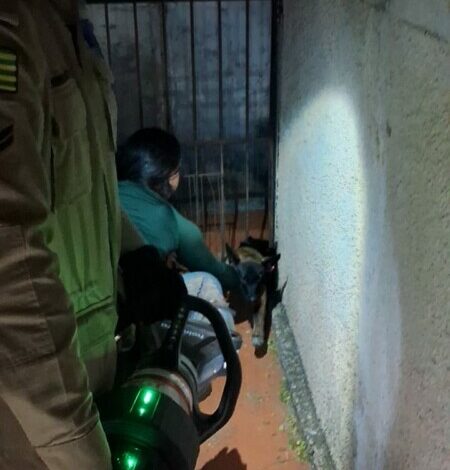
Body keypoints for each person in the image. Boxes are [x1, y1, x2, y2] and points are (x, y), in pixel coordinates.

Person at [0, 2, 185, 468]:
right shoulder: (12, 26)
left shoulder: (71, 29)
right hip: (37, 419)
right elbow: (8, 262)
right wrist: (79, 444)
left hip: (91, 365)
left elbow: (89, 184)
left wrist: (136, 254)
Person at [117, 128, 241, 294]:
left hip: (100, 296)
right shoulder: (169, 219)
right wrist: (240, 276)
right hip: (138, 301)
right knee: (207, 281)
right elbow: (216, 272)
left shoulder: (106, 197)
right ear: (170, 176)